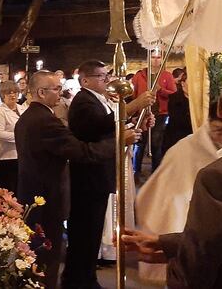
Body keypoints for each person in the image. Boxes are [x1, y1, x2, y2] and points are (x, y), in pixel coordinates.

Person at [14, 71, 138, 289]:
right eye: (56, 89)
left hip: (34, 194)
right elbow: (82, 151)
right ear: (41, 92)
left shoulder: (29, 117)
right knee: (46, 259)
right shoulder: (45, 121)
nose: (61, 93)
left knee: (37, 256)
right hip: (47, 198)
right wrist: (119, 141)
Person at [123, 75, 222, 289]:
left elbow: (202, 258)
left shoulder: (219, 176)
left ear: (221, 108)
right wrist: (165, 243)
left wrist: (177, 269)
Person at [62, 60, 154, 289]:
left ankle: (87, 277)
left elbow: (112, 125)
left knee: (91, 232)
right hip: (88, 177)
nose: (107, 80)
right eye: (102, 76)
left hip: (100, 174)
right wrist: (133, 105)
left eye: (107, 75)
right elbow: (98, 125)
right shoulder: (83, 101)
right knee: (84, 232)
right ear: (85, 81)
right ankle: (77, 280)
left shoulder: (100, 99)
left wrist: (137, 121)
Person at [132, 49, 177, 173]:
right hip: (142, 113)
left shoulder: (167, 76)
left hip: (160, 114)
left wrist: (161, 90)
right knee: (139, 143)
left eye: (158, 57)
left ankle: (156, 172)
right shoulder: (139, 75)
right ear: (148, 59)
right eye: (153, 57)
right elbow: (134, 94)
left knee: (156, 144)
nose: (156, 60)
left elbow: (173, 94)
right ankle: (136, 171)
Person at [0, 81, 27, 193]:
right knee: (6, 191)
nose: (13, 95)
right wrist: (20, 137)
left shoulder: (23, 109)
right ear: (3, 95)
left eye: (15, 92)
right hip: (4, 157)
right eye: (9, 93)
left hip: (19, 155)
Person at [162, 70, 192, 155]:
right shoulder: (174, 99)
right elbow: (178, 120)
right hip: (176, 139)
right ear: (183, 83)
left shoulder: (200, 100)